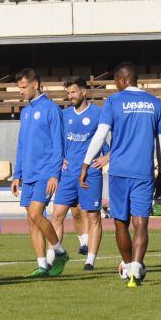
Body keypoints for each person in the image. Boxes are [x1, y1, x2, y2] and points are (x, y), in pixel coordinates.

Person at [81, 62, 161, 288]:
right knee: (141, 224)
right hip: (143, 172)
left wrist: (86, 163)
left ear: (121, 80)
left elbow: (100, 136)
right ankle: (136, 269)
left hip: (119, 171)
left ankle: (129, 266)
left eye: (116, 82)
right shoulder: (155, 103)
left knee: (121, 223)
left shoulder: (113, 101)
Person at [9, 68, 69, 278]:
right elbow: (21, 145)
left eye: (23, 87)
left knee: (36, 213)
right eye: (19, 88)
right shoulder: (25, 112)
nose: (21, 91)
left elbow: (59, 144)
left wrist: (54, 174)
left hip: (45, 173)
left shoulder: (52, 109)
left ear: (35, 85)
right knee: (32, 219)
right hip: (28, 174)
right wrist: (17, 175)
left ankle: (59, 252)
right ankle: (42, 265)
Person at [57, 76, 106, 271]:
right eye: (68, 93)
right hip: (68, 174)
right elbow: (56, 140)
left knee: (93, 216)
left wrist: (106, 158)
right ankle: (53, 256)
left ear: (84, 92)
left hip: (91, 173)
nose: (70, 96)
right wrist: (60, 157)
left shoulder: (99, 113)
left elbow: (118, 138)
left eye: (73, 92)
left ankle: (90, 261)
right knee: (58, 214)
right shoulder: (64, 115)